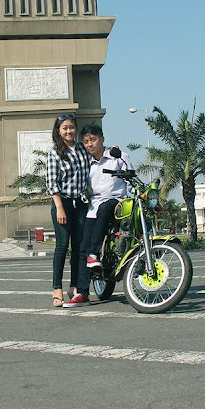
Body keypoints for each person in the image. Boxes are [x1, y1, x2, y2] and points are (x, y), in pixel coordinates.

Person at [64, 124, 133, 307]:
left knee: (105, 207)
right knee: (82, 247)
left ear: (102, 139)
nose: (89, 144)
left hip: (116, 203)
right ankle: (83, 293)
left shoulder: (118, 156)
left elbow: (131, 180)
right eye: (86, 141)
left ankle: (94, 254)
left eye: (93, 140)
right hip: (93, 206)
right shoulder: (86, 162)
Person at [46, 113, 90, 307]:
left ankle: (74, 287)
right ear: (58, 130)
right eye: (64, 127)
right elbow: (51, 182)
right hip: (62, 203)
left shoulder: (82, 149)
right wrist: (59, 208)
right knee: (62, 246)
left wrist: (112, 149)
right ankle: (57, 288)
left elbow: (97, 153)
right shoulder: (54, 152)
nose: (69, 131)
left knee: (79, 247)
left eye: (71, 127)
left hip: (81, 203)